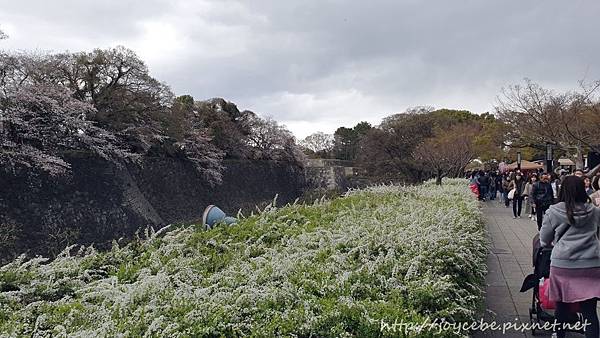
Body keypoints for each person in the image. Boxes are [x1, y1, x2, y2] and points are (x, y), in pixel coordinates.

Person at [539, 176, 600, 338]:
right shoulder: (594, 210)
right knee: (589, 310)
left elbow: (544, 239)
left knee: (562, 307)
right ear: (582, 189)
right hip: (591, 264)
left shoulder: (554, 211)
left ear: (562, 189)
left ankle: (559, 335)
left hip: (563, 265)